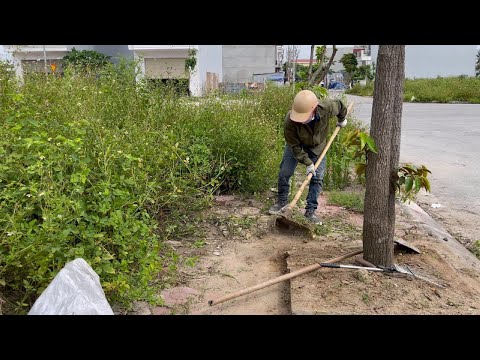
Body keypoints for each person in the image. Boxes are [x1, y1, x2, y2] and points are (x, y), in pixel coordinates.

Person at [268, 90, 348, 224]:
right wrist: (308, 163)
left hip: (317, 147)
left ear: (314, 109)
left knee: (317, 178)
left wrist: (342, 119)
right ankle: (282, 202)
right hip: (297, 146)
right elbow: (294, 146)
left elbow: (340, 105)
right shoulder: (290, 120)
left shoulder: (327, 108)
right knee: (284, 173)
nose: (301, 119)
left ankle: (310, 211)